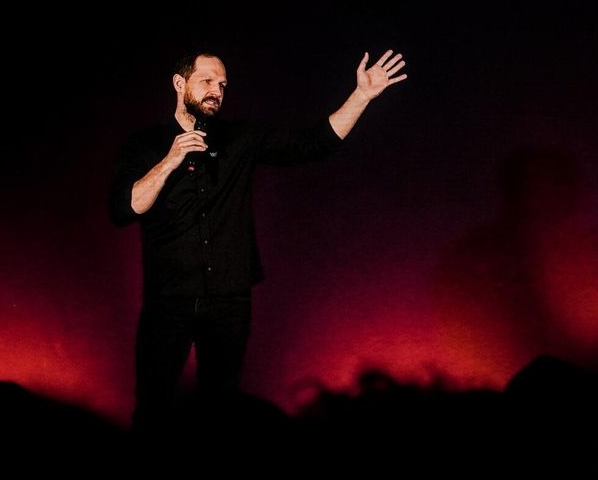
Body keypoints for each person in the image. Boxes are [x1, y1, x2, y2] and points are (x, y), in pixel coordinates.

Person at [108, 49, 407, 432]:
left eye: (222, 84)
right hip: (168, 300)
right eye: (207, 81)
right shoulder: (145, 144)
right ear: (179, 83)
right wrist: (169, 160)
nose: (217, 90)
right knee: (154, 408)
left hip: (228, 300)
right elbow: (124, 209)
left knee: (221, 409)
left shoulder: (240, 138)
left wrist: (361, 95)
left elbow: (313, 144)